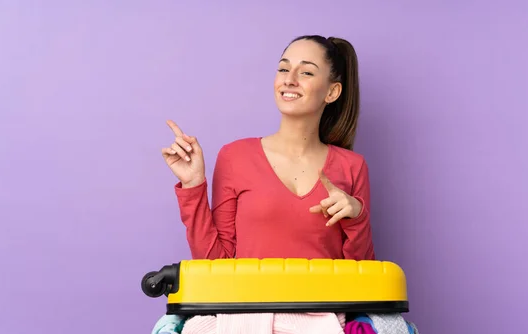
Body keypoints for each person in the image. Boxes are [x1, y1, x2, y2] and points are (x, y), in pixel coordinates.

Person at [161, 35, 375, 261]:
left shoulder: (352, 166)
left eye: (306, 72)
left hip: (324, 297)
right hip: (251, 297)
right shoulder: (235, 157)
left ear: (332, 92)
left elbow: (364, 277)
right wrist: (192, 184)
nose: (289, 80)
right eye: (283, 69)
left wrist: (357, 217)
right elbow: (214, 264)